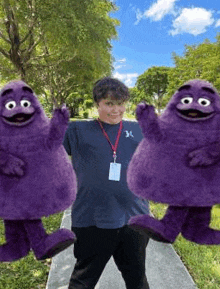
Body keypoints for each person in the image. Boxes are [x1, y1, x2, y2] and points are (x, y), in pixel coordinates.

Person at [63, 77, 150, 289]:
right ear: (97, 103)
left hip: (134, 221)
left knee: (137, 279)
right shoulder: (76, 131)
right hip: (91, 220)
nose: (116, 109)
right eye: (109, 103)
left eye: (120, 103)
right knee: (82, 281)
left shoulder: (139, 130)